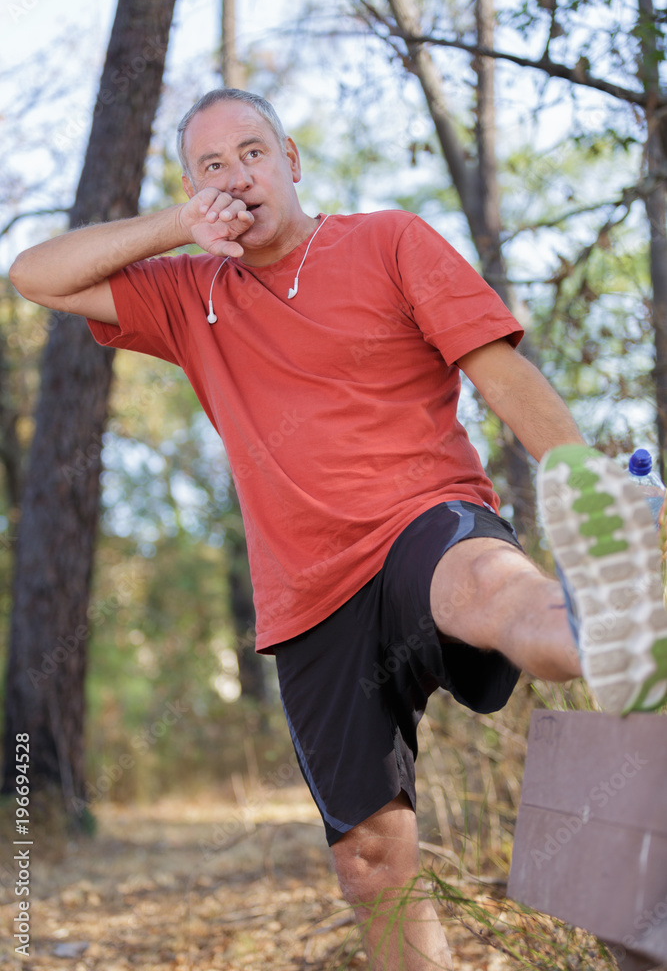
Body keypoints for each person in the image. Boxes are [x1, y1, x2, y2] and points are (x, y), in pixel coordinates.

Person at [10, 88, 667, 971]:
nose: (236, 176)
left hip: (421, 524)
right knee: (368, 861)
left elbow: (496, 369)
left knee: (492, 591)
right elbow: (34, 275)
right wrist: (177, 225)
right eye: (210, 166)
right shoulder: (188, 294)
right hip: (310, 597)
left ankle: (608, 626)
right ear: (192, 187)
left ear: (292, 159)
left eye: (251, 152)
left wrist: (583, 483)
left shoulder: (386, 240)